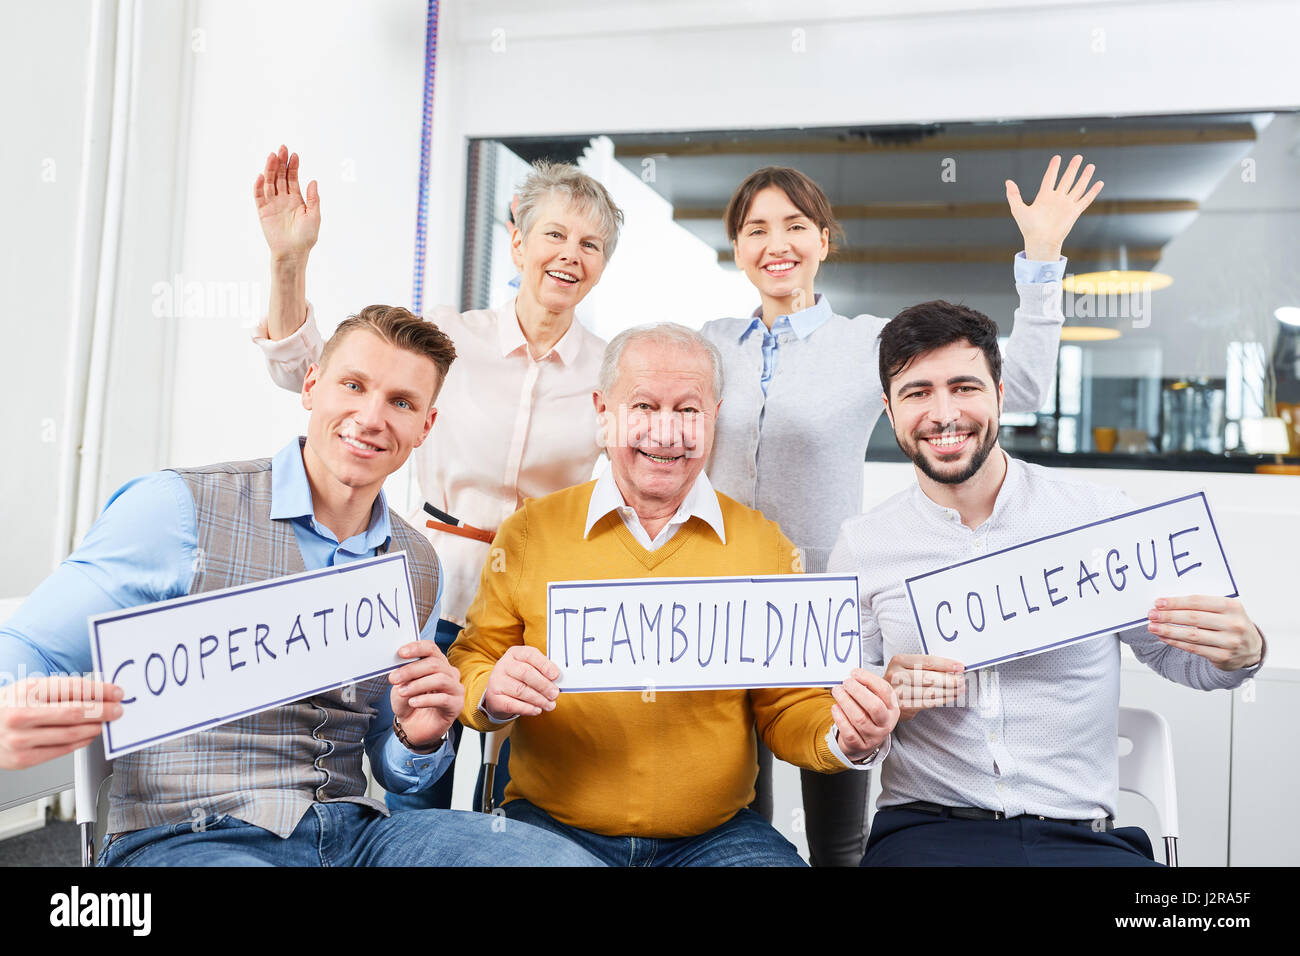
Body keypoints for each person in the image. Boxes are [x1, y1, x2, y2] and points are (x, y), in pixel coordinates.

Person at [0, 306, 599, 867]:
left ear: (426, 426)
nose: (371, 418)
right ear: (311, 385)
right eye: (354, 386)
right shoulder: (177, 508)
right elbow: (32, 649)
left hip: (354, 832)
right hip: (190, 831)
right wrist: (12, 703)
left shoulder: (416, 562)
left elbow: (389, 760)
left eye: (401, 402)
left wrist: (418, 739)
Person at [698, 154, 1103, 866]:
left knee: (839, 830)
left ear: (824, 239)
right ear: (737, 247)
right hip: (729, 603)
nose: (776, 243)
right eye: (756, 229)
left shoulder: (865, 342)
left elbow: (1026, 385)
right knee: (736, 817)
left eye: (795, 225)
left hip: (833, 609)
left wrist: (1042, 260)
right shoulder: (712, 343)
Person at [828, 300, 1265, 866]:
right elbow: (839, 725)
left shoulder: (1099, 517)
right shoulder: (863, 546)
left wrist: (1244, 651)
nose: (944, 413)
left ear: (1001, 394)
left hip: (1082, 838)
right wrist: (876, 713)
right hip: (927, 833)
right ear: (889, 411)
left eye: (965, 387)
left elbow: (1183, 659)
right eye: (917, 393)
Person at [447, 324, 901, 866]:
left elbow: (789, 708)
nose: (665, 434)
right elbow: (473, 658)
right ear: (603, 411)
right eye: (643, 406)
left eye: (688, 411)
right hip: (550, 828)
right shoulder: (530, 532)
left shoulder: (765, 546)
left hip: (716, 838)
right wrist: (489, 692)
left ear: (715, 417)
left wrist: (845, 737)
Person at [252, 146, 621, 811]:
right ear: (517, 244)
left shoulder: (607, 370)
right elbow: (303, 370)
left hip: (535, 613)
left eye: (590, 243)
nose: (571, 253)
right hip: (429, 592)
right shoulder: (449, 336)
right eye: (555, 234)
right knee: (414, 778)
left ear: (602, 265)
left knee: (523, 804)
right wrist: (289, 261)